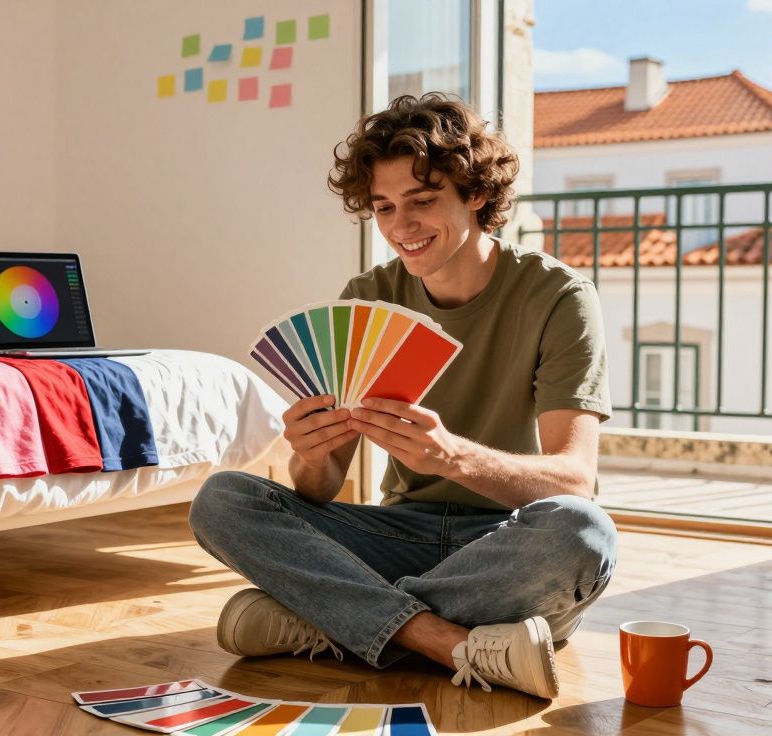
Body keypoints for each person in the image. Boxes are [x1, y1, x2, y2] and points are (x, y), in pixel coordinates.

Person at [188, 93, 617, 700]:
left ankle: (327, 619)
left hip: (506, 541)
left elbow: (575, 482)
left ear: (476, 195)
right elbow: (321, 488)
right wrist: (311, 453)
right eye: (384, 207)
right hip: (395, 532)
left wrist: (451, 458)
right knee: (222, 498)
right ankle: (448, 641)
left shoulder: (558, 297)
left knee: (583, 533)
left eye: (422, 201)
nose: (400, 227)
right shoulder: (368, 294)